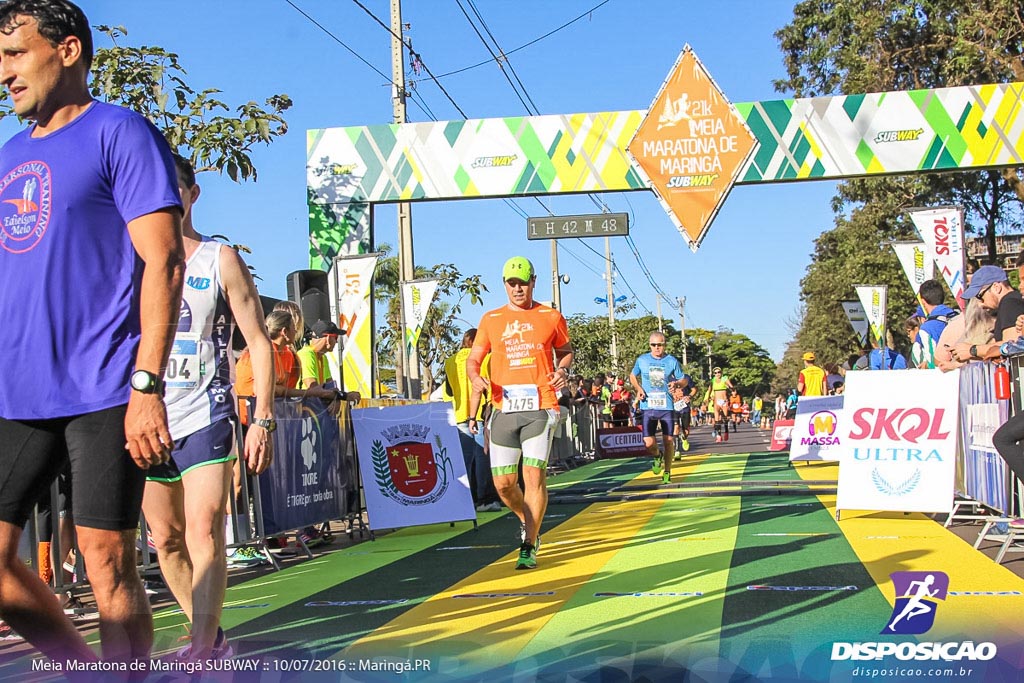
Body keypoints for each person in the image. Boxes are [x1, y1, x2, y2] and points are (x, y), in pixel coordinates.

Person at [0, 0, 185, 663]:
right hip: (16, 392)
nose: (5, 73)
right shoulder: (8, 156)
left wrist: (147, 384)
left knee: (107, 560)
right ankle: (87, 671)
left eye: (16, 53)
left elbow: (164, 259)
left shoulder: (120, 133)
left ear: (68, 50)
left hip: (104, 383)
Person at [140, 154, 275, 661]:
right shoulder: (130, 257)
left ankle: (200, 647)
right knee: (168, 541)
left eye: (173, 188)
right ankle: (211, 636)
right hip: (149, 416)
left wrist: (261, 418)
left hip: (206, 413)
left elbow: (258, 342)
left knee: (204, 530)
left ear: (192, 195)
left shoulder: (219, 259)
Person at [466, 257, 573, 570]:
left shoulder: (551, 316)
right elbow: (474, 360)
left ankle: (528, 545)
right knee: (504, 485)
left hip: (541, 406)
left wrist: (562, 371)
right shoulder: (491, 319)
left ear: (533, 282)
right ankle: (532, 524)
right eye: (511, 283)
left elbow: (565, 352)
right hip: (503, 408)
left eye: (522, 283)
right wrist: (476, 378)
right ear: (504, 284)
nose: (517, 288)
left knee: (533, 477)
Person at [443, 329, 500, 512]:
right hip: (480, 415)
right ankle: (484, 499)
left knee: (464, 461)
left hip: (459, 415)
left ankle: (464, 501)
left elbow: (449, 391)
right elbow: (490, 387)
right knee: (483, 458)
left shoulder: (450, 362)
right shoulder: (485, 358)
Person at [630, 331, 687, 483]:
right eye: (653, 345)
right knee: (649, 443)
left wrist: (676, 384)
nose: (656, 348)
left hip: (666, 406)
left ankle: (667, 471)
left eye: (659, 345)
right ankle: (657, 455)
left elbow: (683, 380)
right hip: (648, 405)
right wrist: (638, 388)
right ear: (650, 345)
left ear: (664, 345)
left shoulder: (671, 361)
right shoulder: (642, 360)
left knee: (669, 440)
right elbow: (632, 375)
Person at [953, 264, 1024, 363]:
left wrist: (972, 350)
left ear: (996, 287)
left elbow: (1013, 345)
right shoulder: (1011, 301)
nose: (980, 304)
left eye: (980, 296)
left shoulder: (1009, 302)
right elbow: (1001, 351)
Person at [916, 279, 959, 368]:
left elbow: (933, 364)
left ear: (923, 302)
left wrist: (926, 366)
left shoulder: (927, 328)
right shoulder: (959, 317)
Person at [709, 367, 734, 442]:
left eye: (718, 372)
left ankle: (726, 432)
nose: (717, 374)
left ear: (721, 372)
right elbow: (709, 389)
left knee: (725, 418)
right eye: (715, 373)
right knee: (717, 420)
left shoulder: (724, 378)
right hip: (716, 401)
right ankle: (719, 435)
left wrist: (731, 388)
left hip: (723, 401)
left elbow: (731, 385)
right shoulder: (712, 380)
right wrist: (708, 398)